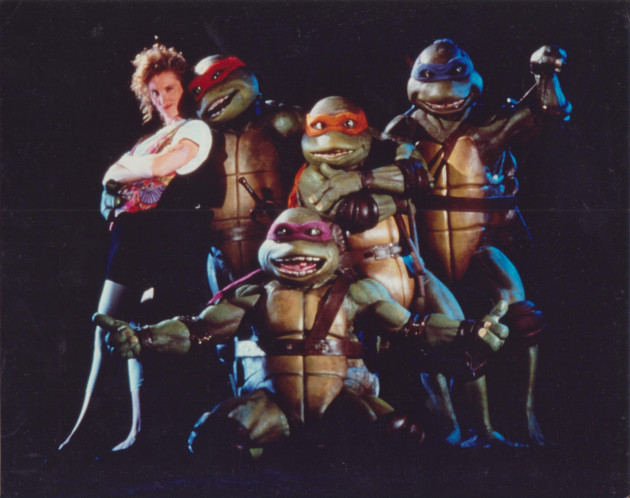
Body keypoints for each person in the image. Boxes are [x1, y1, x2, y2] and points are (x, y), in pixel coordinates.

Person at [58, 42, 213, 453]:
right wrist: (115, 177)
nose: (163, 98)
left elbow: (159, 167)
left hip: (158, 237)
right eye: (155, 91)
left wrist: (117, 173)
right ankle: (93, 426)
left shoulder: (194, 129)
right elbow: (113, 183)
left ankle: (132, 431)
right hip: (129, 237)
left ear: (184, 87)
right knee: (108, 330)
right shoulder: (150, 137)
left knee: (132, 332)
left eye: (170, 88)